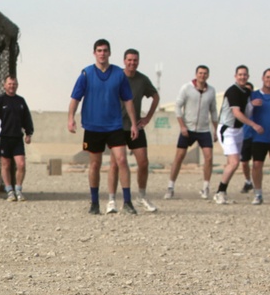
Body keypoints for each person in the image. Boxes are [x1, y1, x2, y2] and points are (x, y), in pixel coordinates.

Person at [67, 39, 138, 215]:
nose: (102, 53)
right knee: (95, 164)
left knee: (122, 160)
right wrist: (71, 118)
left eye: (105, 50)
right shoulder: (86, 74)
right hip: (93, 126)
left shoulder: (118, 75)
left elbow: (128, 100)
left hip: (114, 125)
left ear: (110, 53)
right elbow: (75, 98)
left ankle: (127, 202)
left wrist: (134, 124)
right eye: (99, 50)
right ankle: (94, 202)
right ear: (94, 53)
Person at [107, 49, 159, 212]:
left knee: (143, 162)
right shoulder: (116, 77)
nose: (132, 63)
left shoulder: (143, 80)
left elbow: (155, 96)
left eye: (135, 60)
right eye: (129, 60)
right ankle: (112, 200)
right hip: (117, 127)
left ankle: (142, 196)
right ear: (124, 61)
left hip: (135, 126)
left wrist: (148, 117)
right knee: (116, 164)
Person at [166, 65, 218, 200]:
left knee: (209, 157)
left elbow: (213, 111)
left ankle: (205, 187)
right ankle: (170, 187)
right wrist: (182, 126)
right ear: (196, 74)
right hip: (187, 128)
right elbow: (178, 106)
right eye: (200, 73)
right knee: (179, 157)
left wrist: (215, 130)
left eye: (205, 73)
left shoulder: (211, 91)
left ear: (208, 75)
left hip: (204, 129)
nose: (202, 75)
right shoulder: (186, 88)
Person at [213, 66, 263, 204]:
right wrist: (254, 125)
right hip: (227, 129)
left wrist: (252, 104)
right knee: (234, 162)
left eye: (245, 75)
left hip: (239, 130)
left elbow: (247, 108)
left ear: (248, 76)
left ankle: (222, 192)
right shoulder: (233, 91)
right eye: (240, 75)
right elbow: (237, 113)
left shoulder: (247, 91)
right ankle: (220, 192)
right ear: (235, 76)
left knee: (232, 163)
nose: (242, 77)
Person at [0, 75, 34, 201]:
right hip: (3, 138)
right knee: (6, 164)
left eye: (14, 84)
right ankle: (10, 191)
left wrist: (29, 133)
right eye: (9, 84)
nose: (12, 86)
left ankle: (18, 189)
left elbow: (26, 119)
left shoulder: (21, 101)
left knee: (21, 164)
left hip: (17, 138)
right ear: (5, 85)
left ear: (17, 85)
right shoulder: (0, 101)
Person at [248, 70, 270, 205]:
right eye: (268, 77)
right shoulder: (254, 95)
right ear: (263, 78)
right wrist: (251, 105)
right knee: (257, 165)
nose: (269, 79)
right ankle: (258, 193)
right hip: (259, 137)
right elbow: (244, 112)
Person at [240, 81, 256, 194]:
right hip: (244, 136)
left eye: (249, 90)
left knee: (257, 163)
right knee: (244, 162)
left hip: (257, 136)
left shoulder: (258, 103)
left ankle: (257, 185)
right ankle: (248, 181)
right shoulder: (239, 103)